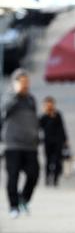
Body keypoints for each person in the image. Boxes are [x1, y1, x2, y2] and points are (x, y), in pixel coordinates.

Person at [1, 69, 40, 218]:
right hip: (13, 145)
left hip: (30, 145)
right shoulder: (9, 98)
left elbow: (33, 119)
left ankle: (24, 199)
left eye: (27, 82)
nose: (25, 85)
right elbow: (3, 111)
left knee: (34, 174)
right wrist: (15, 94)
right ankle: (13, 206)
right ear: (15, 83)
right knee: (13, 177)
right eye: (22, 82)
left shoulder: (30, 99)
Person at [39, 96, 68, 186]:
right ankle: (47, 179)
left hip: (58, 142)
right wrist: (46, 115)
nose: (49, 106)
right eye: (47, 104)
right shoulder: (43, 117)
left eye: (51, 104)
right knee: (48, 161)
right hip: (48, 142)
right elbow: (39, 127)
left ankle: (55, 179)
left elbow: (62, 128)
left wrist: (65, 139)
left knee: (57, 161)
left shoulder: (58, 115)